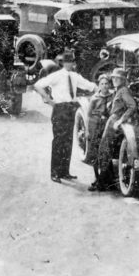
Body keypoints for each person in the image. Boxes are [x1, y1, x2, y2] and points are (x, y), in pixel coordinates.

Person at [33, 49, 96, 183]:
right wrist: (49, 100)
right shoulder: (56, 75)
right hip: (60, 108)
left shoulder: (75, 76)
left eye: (71, 61)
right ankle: (55, 173)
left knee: (67, 141)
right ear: (62, 63)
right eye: (67, 62)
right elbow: (37, 85)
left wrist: (101, 88)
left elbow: (90, 86)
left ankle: (64, 172)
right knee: (58, 141)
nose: (69, 64)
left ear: (73, 63)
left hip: (70, 108)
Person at [90, 67, 136, 192]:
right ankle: (103, 181)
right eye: (114, 78)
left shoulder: (124, 91)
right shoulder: (118, 90)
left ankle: (101, 183)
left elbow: (132, 106)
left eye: (118, 78)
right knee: (103, 151)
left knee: (104, 151)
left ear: (122, 80)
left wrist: (121, 120)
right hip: (111, 119)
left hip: (115, 121)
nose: (115, 80)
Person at [83, 74, 113, 185]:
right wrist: (87, 130)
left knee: (106, 152)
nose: (104, 86)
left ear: (109, 85)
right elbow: (88, 115)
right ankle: (97, 178)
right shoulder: (95, 98)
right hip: (95, 126)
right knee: (94, 154)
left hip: (106, 126)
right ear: (98, 85)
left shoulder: (112, 96)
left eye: (106, 84)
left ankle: (107, 179)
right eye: (102, 84)